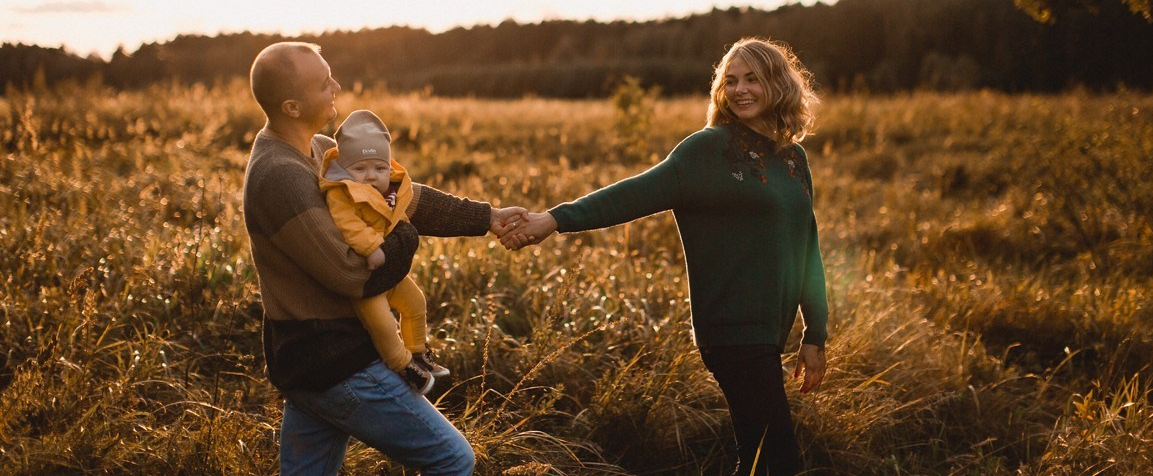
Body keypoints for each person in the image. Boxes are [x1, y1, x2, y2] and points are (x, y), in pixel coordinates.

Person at [503, 37, 829, 476]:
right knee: (780, 461)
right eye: (730, 81)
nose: (740, 90)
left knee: (757, 456)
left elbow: (807, 245)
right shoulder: (706, 151)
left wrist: (815, 332)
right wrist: (555, 219)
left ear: (778, 84)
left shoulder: (794, 159)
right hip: (731, 329)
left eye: (753, 79)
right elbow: (634, 193)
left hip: (771, 332)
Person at [242, 41, 526, 476]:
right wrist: (405, 240)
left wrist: (486, 217)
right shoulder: (279, 175)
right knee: (452, 459)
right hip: (334, 360)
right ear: (292, 106)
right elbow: (352, 276)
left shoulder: (320, 149)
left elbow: (400, 199)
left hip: (309, 363)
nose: (336, 85)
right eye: (324, 83)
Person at [319, 108, 450, 396]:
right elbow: (347, 223)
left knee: (415, 303)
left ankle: (417, 352)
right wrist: (371, 247)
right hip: (366, 278)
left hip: (391, 271)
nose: (370, 177)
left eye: (379, 168)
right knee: (384, 325)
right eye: (360, 169)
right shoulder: (340, 192)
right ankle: (404, 366)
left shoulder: (393, 189)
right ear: (344, 168)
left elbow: (403, 214)